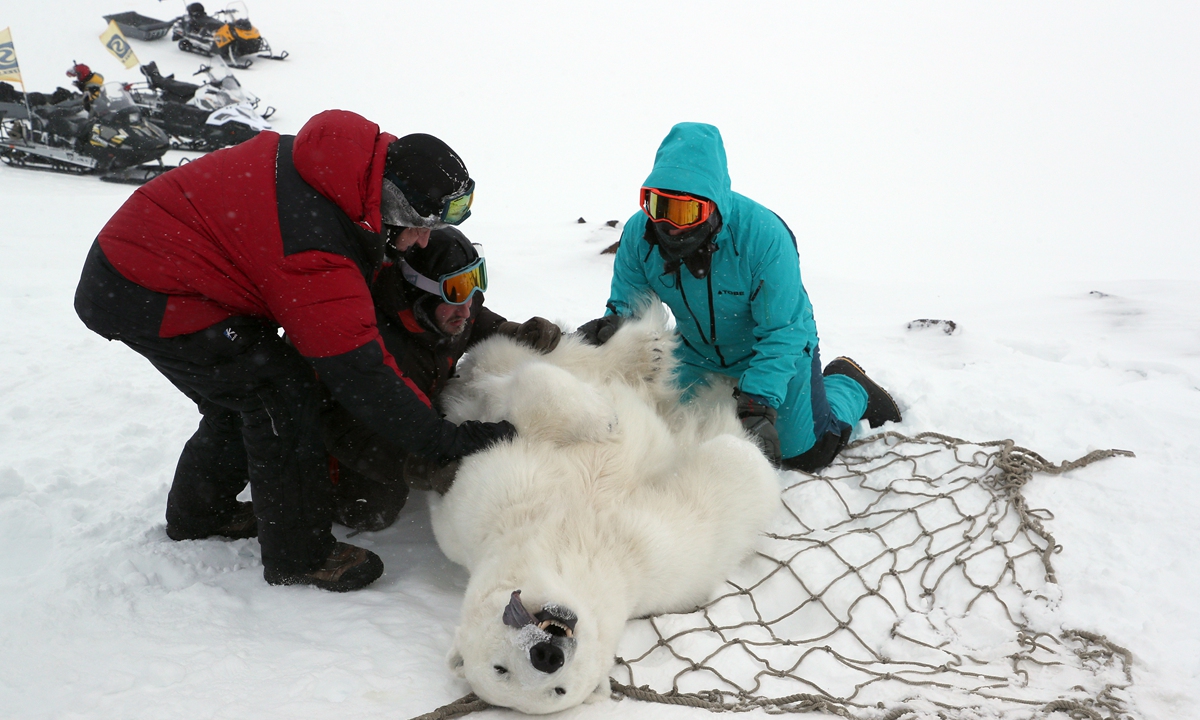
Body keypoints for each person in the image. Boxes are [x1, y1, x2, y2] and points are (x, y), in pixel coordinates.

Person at [74, 109, 516, 592]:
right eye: (419, 226)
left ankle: (201, 515)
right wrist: (442, 441)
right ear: (390, 205)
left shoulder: (344, 171)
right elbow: (359, 370)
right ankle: (299, 557)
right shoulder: (316, 244)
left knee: (241, 396)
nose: (424, 241)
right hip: (146, 288)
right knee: (279, 397)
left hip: (157, 265)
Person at [578, 122, 901, 473]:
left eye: (685, 212)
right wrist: (612, 328)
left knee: (804, 453)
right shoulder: (639, 237)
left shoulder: (763, 238)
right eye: (657, 205)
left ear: (712, 206)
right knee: (667, 438)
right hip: (698, 354)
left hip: (774, 349)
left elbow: (783, 331)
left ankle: (848, 384)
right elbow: (631, 310)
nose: (669, 224)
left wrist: (758, 405)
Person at [321, 227, 562, 532]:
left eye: (472, 288)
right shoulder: (371, 340)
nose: (467, 307)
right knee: (373, 510)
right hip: (334, 430)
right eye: (455, 294)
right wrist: (422, 467)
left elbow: (475, 321)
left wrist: (514, 333)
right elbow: (344, 429)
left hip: (407, 399)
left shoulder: (448, 310)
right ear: (418, 292)